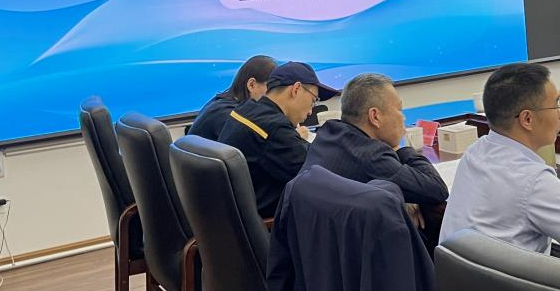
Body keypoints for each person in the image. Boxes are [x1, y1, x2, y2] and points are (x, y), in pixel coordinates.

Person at [440, 63, 560, 266]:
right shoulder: (535, 182)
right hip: (509, 286)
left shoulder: (476, 151)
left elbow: (509, 196)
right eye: (557, 105)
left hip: (462, 283)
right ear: (527, 119)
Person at [304, 72, 447, 220]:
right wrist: (400, 148)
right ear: (375, 116)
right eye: (399, 110)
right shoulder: (370, 156)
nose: (403, 117)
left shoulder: (328, 134)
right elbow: (437, 189)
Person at [218, 61, 340, 218]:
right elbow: (315, 174)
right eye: (313, 101)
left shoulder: (245, 110)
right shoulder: (273, 128)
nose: (311, 111)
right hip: (271, 220)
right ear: (296, 89)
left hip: (238, 212)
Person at [187, 54, 276, 141]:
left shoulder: (219, 104)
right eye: (272, 88)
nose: (275, 95)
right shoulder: (232, 116)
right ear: (251, 85)